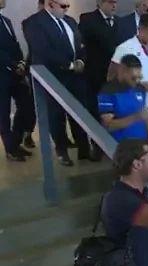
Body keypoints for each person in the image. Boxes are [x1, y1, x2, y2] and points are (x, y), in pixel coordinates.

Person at [23, 0, 94, 166]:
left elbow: (81, 45)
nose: (66, 9)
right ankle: (62, 151)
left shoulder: (69, 21)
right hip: (52, 76)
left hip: (76, 76)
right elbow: (43, 49)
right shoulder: (34, 23)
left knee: (79, 112)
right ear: (49, 4)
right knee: (56, 116)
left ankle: (84, 149)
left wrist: (81, 62)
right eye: (63, 6)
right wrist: (68, 65)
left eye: (67, 6)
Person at [110, 13, 148, 189]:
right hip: (136, 104)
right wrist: (141, 85)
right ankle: (143, 186)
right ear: (140, 30)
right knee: (142, 149)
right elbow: (112, 77)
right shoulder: (125, 48)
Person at [79, 0, 119, 159]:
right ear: (100, 3)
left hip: (115, 76)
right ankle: (97, 145)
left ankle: (114, 144)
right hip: (94, 75)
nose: (114, 5)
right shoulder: (88, 20)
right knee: (96, 112)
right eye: (110, 2)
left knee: (115, 111)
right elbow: (82, 45)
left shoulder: (119, 22)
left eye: (115, 2)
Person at [0, 0, 34, 161]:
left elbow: (14, 44)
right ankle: (10, 149)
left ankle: (16, 141)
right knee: (3, 113)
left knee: (26, 104)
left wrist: (21, 62)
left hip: (15, 73)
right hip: (2, 75)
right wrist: (14, 65)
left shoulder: (5, 20)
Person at [97, 55, 148, 142]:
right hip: (120, 147)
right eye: (134, 78)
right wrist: (135, 117)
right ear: (122, 71)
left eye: (140, 77)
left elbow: (146, 119)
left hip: (142, 145)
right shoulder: (108, 92)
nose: (137, 81)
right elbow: (108, 125)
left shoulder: (140, 89)